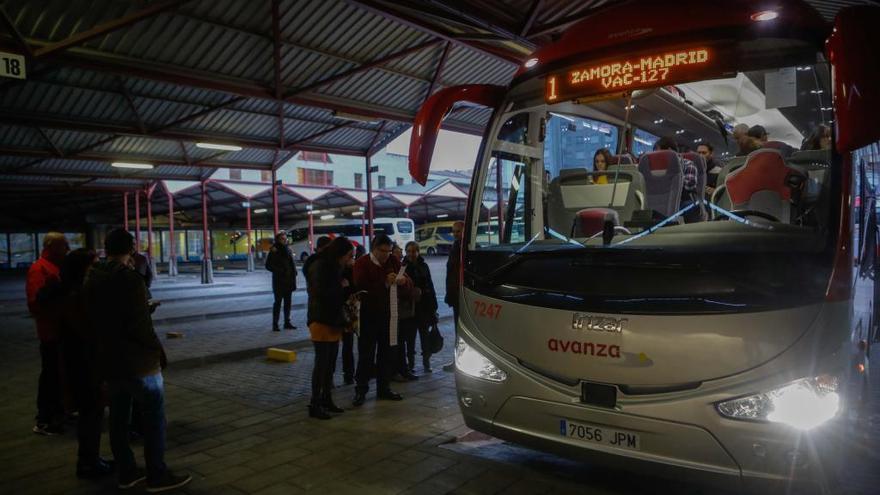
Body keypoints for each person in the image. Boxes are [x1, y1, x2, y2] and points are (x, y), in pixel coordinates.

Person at [85, 228, 190, 492]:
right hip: (137, 360)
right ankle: (157, 474)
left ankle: (127, 472)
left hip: (109, 358)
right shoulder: (131, 280)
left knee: (119, 417)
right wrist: (156, 349)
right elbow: (139, 326)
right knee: (153, 416)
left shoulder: (93, 277)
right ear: (131, 248)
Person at [59, 248, 114, 478]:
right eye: (94, 264)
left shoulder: (75, 292)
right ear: (83, 268)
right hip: (84, 362)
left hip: (82, 360)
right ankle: (88, 462)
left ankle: (91, 458)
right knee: (91, 413)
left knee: (92, 413)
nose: (97, 267)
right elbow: (88, 331)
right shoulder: (76, 295)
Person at [352, 234, 407, 406]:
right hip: (368, 317)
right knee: (366, 355)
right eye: (382, 251)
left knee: (387, 354)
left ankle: (384, 388)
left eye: (389, 251)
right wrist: (383, 283)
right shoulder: (362, 263)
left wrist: (404, 281)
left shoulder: (393, 261)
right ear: (373, 249)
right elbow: (359, 287)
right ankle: (361, 390)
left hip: (389, 317)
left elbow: (408, 282)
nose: (386, 255)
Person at [306, 237, 354, 420]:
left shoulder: (335, 266)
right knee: (322, 364)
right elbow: (320, 292)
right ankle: (315, 403)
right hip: (321, 319)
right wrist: (340, 286)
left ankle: (327, 399)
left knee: (330, 364)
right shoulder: (320, 266)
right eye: (348, 256)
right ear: (340, 253)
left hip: (333, 320)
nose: (349, 259)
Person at [26, 231, 69, 436]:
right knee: (50, 375)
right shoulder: (39, 269)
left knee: (59, 374)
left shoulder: (55, 266)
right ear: (50, 245)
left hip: (61, 330)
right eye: (63, 245)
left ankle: (59, 411)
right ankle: (44, 419)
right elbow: (36, 304)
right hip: (51, 332)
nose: (67, 249)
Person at [401, 241, 438, 374]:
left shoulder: (424, 266)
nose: (411, 254)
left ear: (418, 252)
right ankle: (410, 364)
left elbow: (430, 285)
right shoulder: (403, 267)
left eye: (414, 251)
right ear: (406, 252)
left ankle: (426, 363)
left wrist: (434, 307)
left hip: (424, 306)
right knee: (410, 338)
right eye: (409, 251)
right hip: (410, 307)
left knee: (425, 336)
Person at [654, 137, 701, 223]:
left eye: (658, 153)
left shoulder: (688, 164)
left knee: (691, 205)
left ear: (669, 150)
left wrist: (672, 178)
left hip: (681, 201)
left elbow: (690, 185)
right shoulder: (655, 168)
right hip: (661, 202)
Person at [442, 221, 464, 372]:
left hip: (462, 295)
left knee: (462, 331)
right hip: (455, 295)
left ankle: (461, 362)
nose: (455, 234)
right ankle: (458, 361)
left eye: (458, 231)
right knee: (458, 330)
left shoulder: (465, 248)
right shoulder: (455, 247)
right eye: (454, 231)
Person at [266, 231, 297, 332]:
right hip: (279, 281)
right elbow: (268, 265)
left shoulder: (288, 249)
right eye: (282, 239)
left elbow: (291, 263)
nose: (285, 240)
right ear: (278, 240)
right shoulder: (274, 250)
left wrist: (294, 272)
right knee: (278, 303)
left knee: (288, 303)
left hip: (289, 280)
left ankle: (287, 322)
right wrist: (280, 271)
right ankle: (275, 324)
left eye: (285, 239)